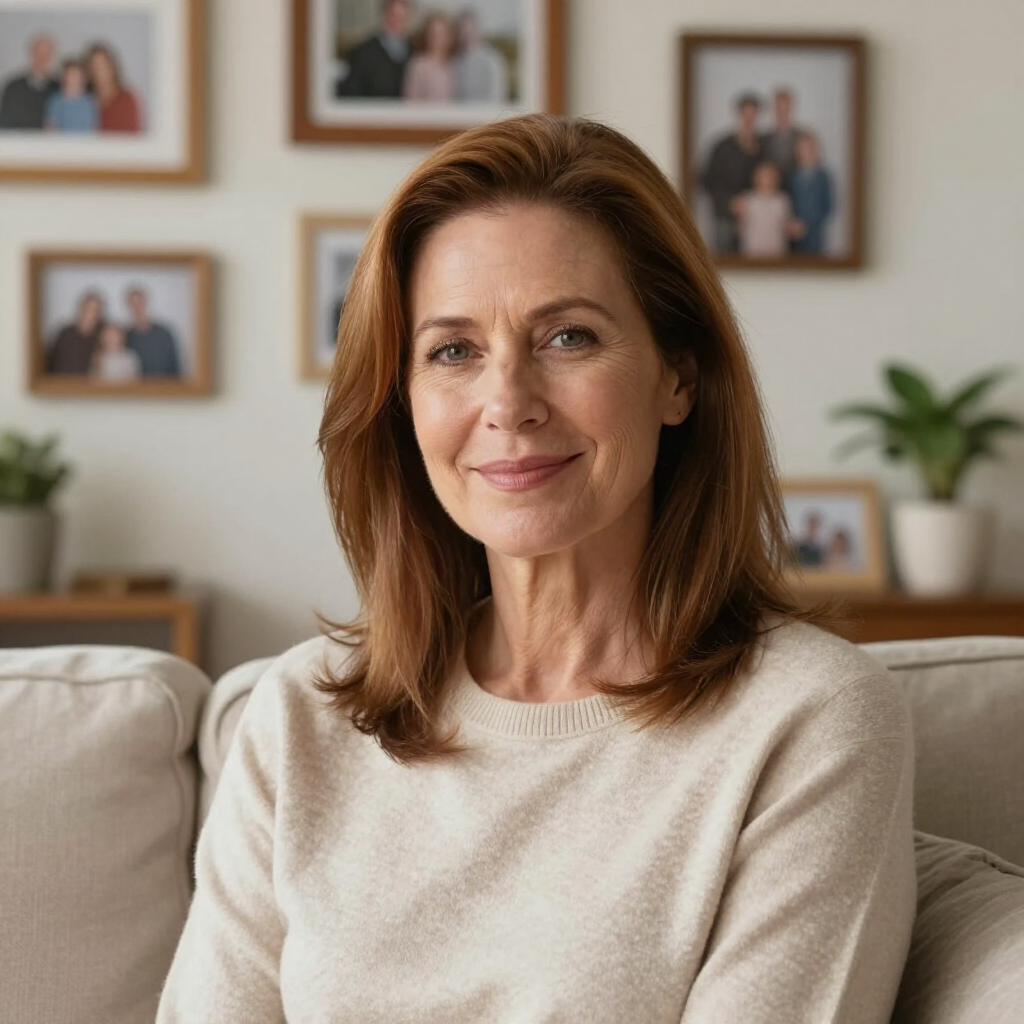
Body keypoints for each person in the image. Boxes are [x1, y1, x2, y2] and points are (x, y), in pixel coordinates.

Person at [157, 115, 915, 1023]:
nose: (507, 402)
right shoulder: (297, 717)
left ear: (680, 377)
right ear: (400, 402)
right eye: (453, 351)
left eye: (569, 339)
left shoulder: (808, 721)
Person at [700, 92, 763, 254]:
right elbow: (707, 180)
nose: (749, 119)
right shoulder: (722, 147)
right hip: (725, 218)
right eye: (746, 114)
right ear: (739, 114)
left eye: (753, 114)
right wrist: (729, 203)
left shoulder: (762, 148)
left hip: (755, 219)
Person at [335, 0, 412, 99]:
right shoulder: (363, 53)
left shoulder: (413, 53)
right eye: (393, 16)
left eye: (402, 18)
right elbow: (350, 93)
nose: (397, 22)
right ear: (384, 15)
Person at [735, 160, 802, 259]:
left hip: (777, 253)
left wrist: (795, 228)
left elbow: (786, 225)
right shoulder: (748, 200)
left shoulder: (782, 201)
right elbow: (741, 229)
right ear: (756, 178)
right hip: (752, 253)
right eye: (764, 176)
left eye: (771, 176)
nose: (767, 180)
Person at [0, 34, 59, 130]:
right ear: (31, 53)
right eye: (38, 54)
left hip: (50, 144)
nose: (42, 59)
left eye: (46, 55)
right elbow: (5, 123)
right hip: (19, 142)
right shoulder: (13, 88)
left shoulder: (58, 88)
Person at [790, 131, 834, 255]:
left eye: (809, 147)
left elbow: (828, 206)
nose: (806, 151)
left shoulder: (823, 176)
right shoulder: (793, 175)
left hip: (815, 233)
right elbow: (790, 202)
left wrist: (808, 224)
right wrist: (793, 223)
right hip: (794, 233)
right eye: (803, 148)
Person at [452, 8, 508, 103]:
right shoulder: (456, 60)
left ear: (477, 29)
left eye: (469, 28)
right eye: (462, 28)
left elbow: (496, 97)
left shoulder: (492, 59)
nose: (466, 33)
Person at [85, 44, 142, 132]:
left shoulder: (126, 99)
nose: (99, 71)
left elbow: (132, 138)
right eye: (94, 66)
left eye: (103, 65)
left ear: (112, 67)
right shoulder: (85, 100)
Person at [125, 288, 181, 377]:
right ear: (128, 308)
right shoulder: (126, 336)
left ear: (146, 304)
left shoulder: (164, 333)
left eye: (140, 303)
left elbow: (175, 367)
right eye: (133, 304)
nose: (137, 308)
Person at [46, 292, 104, 375]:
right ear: (80, 309)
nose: (91, 313)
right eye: (88, 309)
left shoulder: (102, 335)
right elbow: (50, 361)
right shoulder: (65, 334)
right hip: (62, 383)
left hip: (89, 385)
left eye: (96, 310)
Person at [403, 13, 455, 102]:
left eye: (441, 33)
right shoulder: (417, 65)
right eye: (433, 33)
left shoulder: (453, 64)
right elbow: (410, 100)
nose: (437, 38)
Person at [759, 88, 805, 189]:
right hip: (773, 196)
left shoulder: (802, 138)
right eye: (779, 108)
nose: (782, 113)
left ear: (791, 108)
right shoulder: (763, 139)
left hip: (797, 194)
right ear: (774, 108)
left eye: (785, 108)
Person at [44, 59, 98, 133]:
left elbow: (94, 127)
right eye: (70, 75)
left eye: (76, 75)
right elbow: (50, 126)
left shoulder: (90, 102)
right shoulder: (56, 101)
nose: (73, 79)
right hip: (61, 142)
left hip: (84, 142)